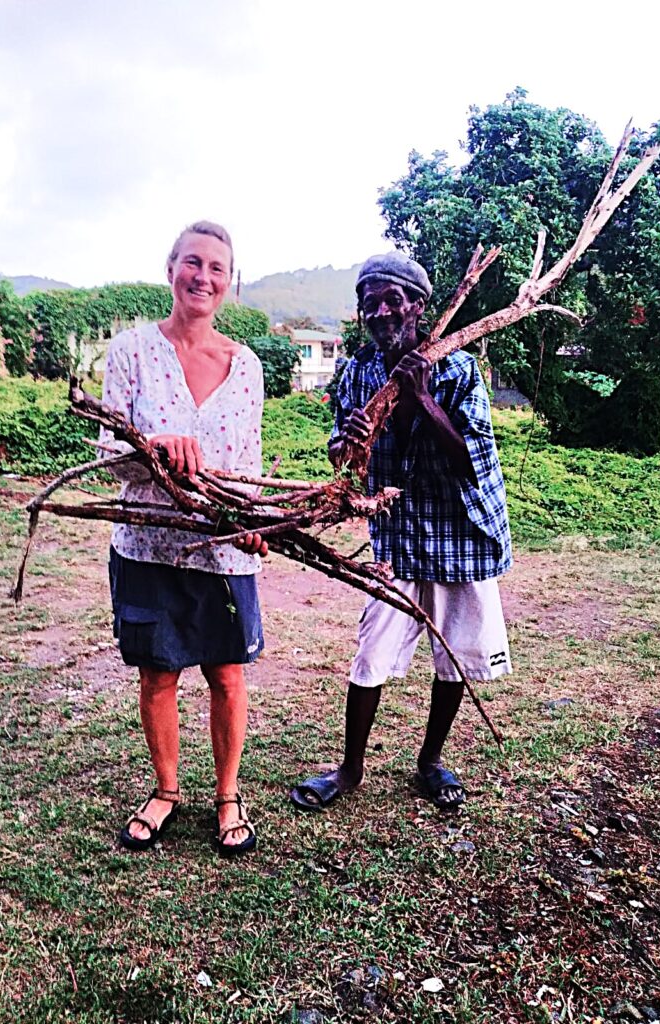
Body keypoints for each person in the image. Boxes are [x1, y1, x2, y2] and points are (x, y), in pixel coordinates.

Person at [290, 251, 512, 812]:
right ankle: (349, 769)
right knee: (373, 651)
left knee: (456, 651)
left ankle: (430, 761)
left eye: (394, 300)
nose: (383, 312)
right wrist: (349, 443)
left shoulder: (457, 369)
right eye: (371, 303)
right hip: (397, 534)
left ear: (418, 306)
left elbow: (470, 463)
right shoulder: (358, 371)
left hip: (461, 530)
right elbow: (343, 459)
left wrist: (421, 399)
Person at [100, 220, 268, 856]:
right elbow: (109, 453)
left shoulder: (245, 365)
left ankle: (227, 794)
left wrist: (252, 523)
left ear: (230, 282)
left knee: (226, 675)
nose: (203, 276)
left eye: (217, 268)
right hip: (146, 543)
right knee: (158, 674)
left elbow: (246, 462)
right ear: (170, 268)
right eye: (192, 262)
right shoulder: (133, 351)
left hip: (220, 545)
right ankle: (166, 790)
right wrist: (154, 449)